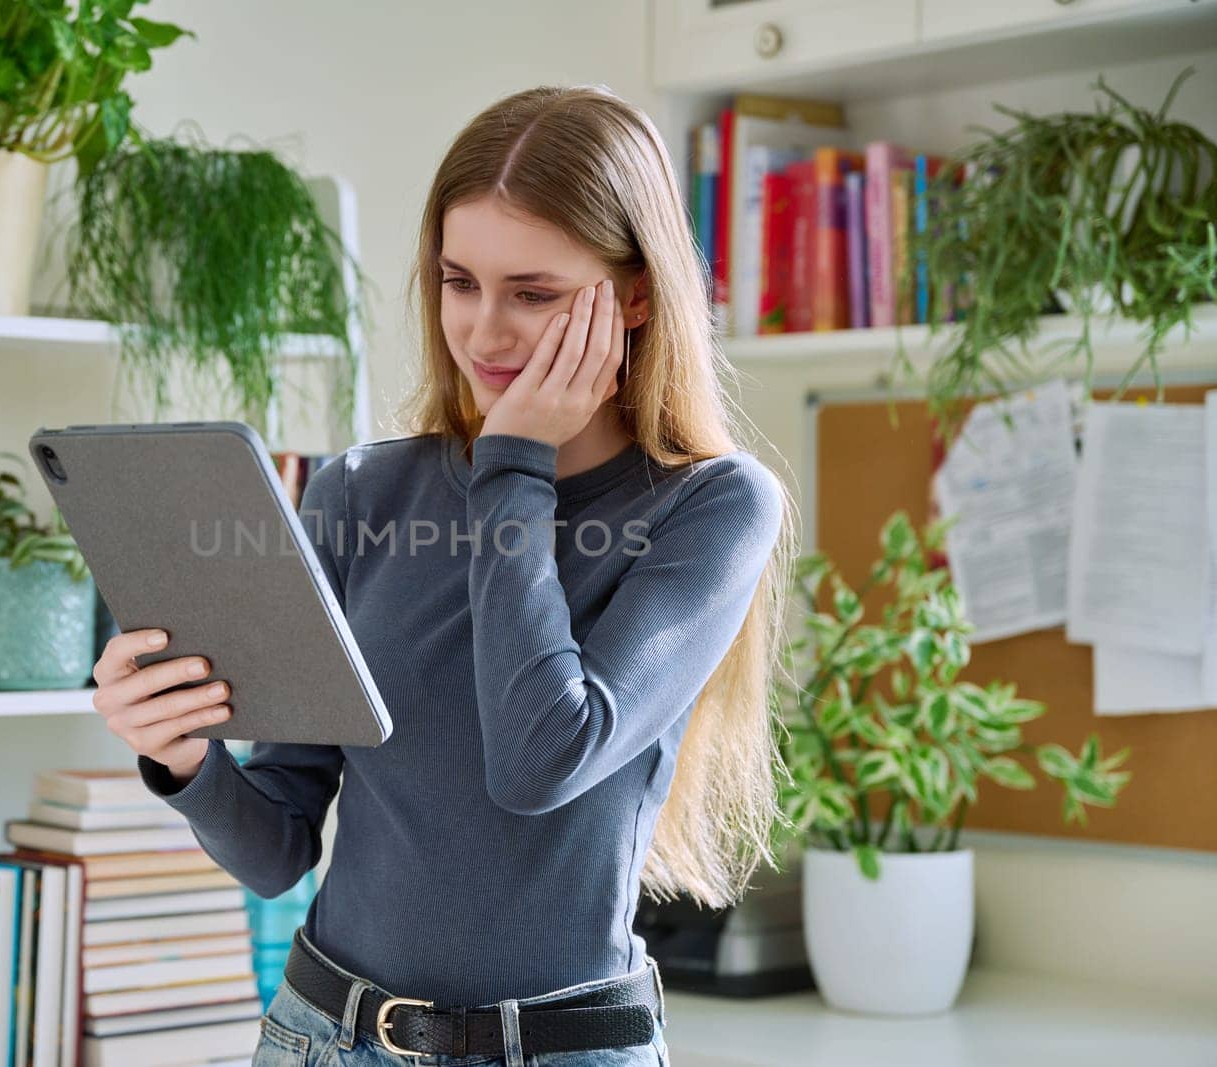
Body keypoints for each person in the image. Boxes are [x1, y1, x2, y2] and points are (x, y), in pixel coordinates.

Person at [89, 84, 796, 1067]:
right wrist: (181, 758)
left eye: (534, 292)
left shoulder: (710, 505)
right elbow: (277, 843)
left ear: (635, 295)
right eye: (458, 281)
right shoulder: (361, 490)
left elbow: (542, 757)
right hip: (324, 1034)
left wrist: (512, 465)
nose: (485, 332)